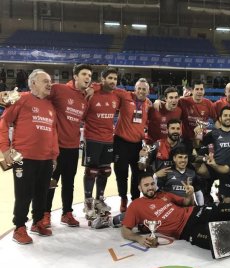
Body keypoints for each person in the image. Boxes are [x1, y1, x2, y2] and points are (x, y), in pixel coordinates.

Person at [0, 69, 59, 244]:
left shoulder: (50, 106)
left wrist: (54, 155)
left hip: (46, 159)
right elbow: (4, 122)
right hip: (22, 157)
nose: (49, 84)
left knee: (42, 193)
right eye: (45, 81)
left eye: (50, 81)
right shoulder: (21, 98)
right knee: (24, 194)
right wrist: (4, 149)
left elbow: (53, 132)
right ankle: (19, 227)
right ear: (33, 83)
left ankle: (38, 222)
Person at [121, 172, 230, 250]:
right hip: (186, 230)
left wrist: (189, 194)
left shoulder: (163, 194)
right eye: (146, 185)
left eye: (152, 184)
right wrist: (139, 238)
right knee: (216, 241)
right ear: (140, 188)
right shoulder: (135, 205)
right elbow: (125, 230)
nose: (150, 187)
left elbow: (186, 203)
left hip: (195, 212)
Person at [43, 64, 92, 228]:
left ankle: (67, 213)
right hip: (55, 148)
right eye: (84, 74)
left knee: (69, 183)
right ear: (75, 76)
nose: (88, 78)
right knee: (51, 182)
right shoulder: (58, 89)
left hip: (72, 148)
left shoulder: (84, 100)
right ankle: (45, 214)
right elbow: (39, 95)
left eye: (90, 76)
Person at [82, 68, 120, 220]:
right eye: (110, 78)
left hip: (108, 139)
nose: (113, 81)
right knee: (91, 171)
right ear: (102, 79)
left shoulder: (116, 96)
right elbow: (82, 115)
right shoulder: (91, 94)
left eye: (115, 79)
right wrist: (94, 87)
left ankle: (99, 200)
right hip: (92, 138)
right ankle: (88, 202)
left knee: (105, 171)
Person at [112, 78, 152, 212]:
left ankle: (135, 199)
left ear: (148, 91)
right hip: (121, 142)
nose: (141, 91)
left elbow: (148, 125)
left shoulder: (149, 105)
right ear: (135, 89)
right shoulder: (125, 96)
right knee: (121, 173)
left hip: (137, 145)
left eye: (144, 89)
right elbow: (109, 87)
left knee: (138, 173)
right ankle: (123, 198)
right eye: (139, 88)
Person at [194, 106, 230, 203]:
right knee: (194, 163)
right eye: (225, 115)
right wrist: (198, 134)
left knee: (228, 203)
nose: (228, 117)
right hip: (214, 167)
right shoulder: (214, 133)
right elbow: (198, 145)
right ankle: (203, 193)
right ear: (220, 118)